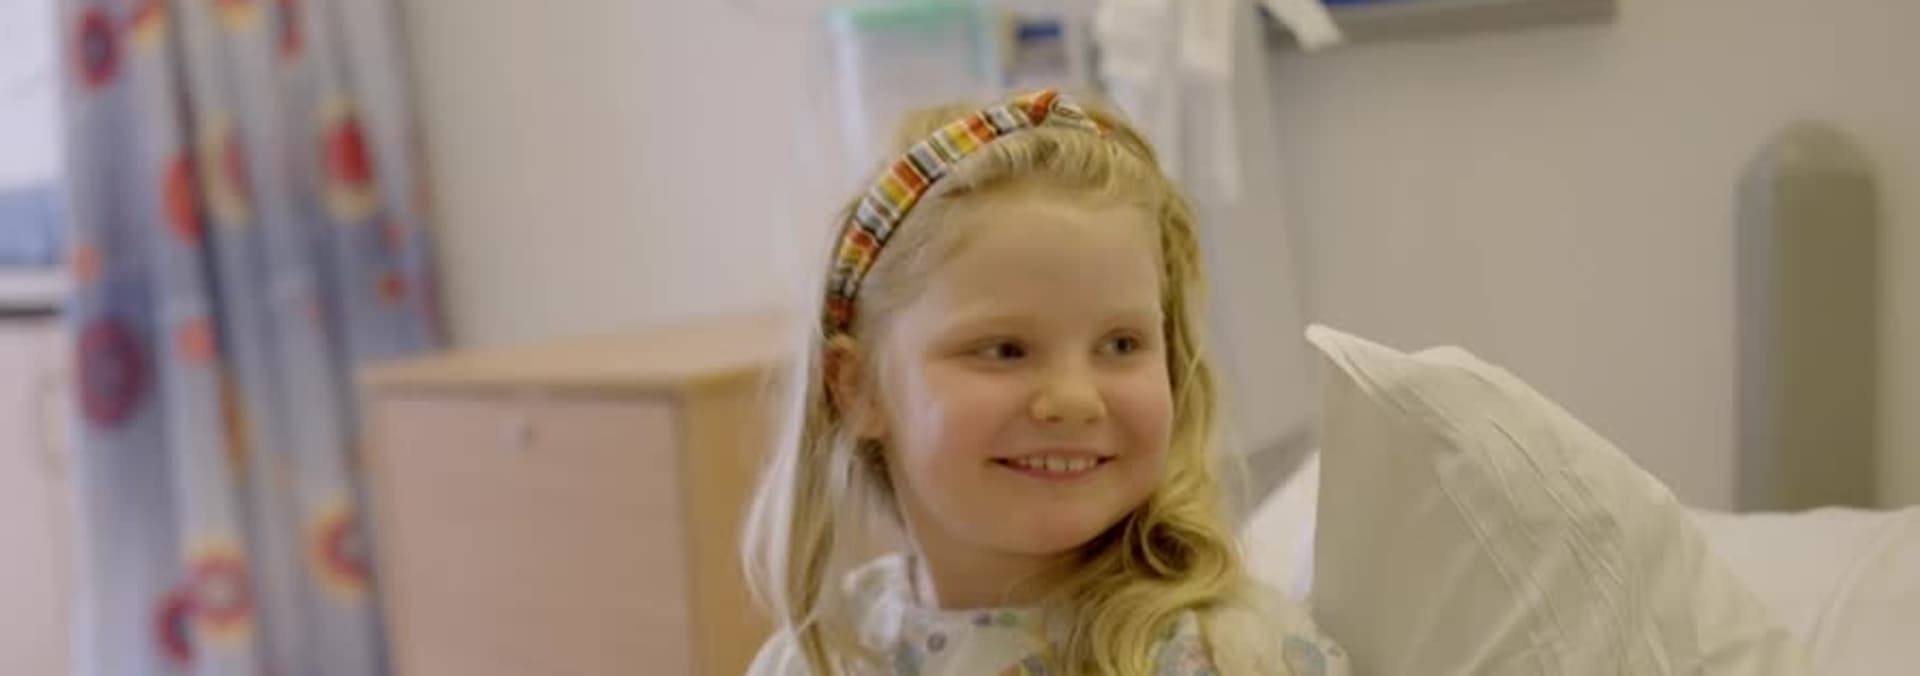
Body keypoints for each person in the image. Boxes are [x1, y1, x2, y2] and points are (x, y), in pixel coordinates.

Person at [740, 89, 1348, 675]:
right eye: (1004, 350)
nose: (1074, 400)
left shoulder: (1238, 657)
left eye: (1120, 345)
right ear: (858, 388)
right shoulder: (817, 660)